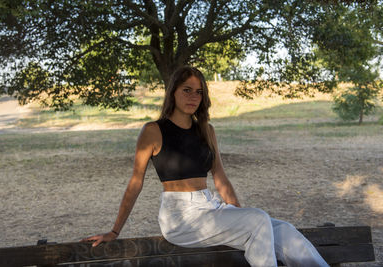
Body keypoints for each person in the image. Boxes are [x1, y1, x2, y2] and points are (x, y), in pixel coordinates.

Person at [81, 66, 329, 267]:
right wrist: (114, 231)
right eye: (187, 90)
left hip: (211, 208)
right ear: (173, 92)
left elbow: (220, 176)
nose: (193, 97)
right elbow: (135, 182)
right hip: (180, 218)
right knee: (258, 220)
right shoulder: (153, 131)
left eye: (198, 92)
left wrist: (240, 218)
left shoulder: (207, 131)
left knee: (282, 229)